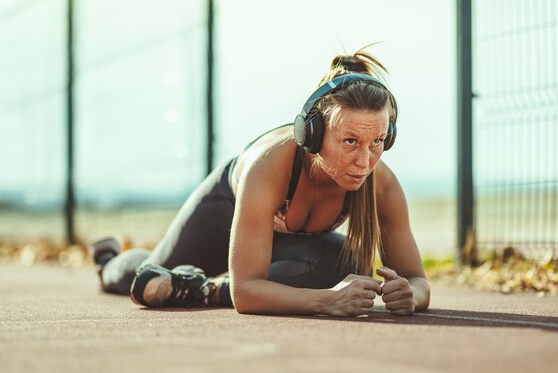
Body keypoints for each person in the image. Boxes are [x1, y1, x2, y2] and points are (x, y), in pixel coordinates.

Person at [92, 46, 430, 316]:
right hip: (219, 217)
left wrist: (408, 294)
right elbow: (246, 293)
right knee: (146, 278)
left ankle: (204, 288)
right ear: (312, 134)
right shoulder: (268, 165)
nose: (364, 160)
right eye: (350, 141)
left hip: (284, 250)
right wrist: (327, 301)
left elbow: (418, 280)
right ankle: (111, 261)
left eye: (377, 142)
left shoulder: (382, 184)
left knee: (349, 262)